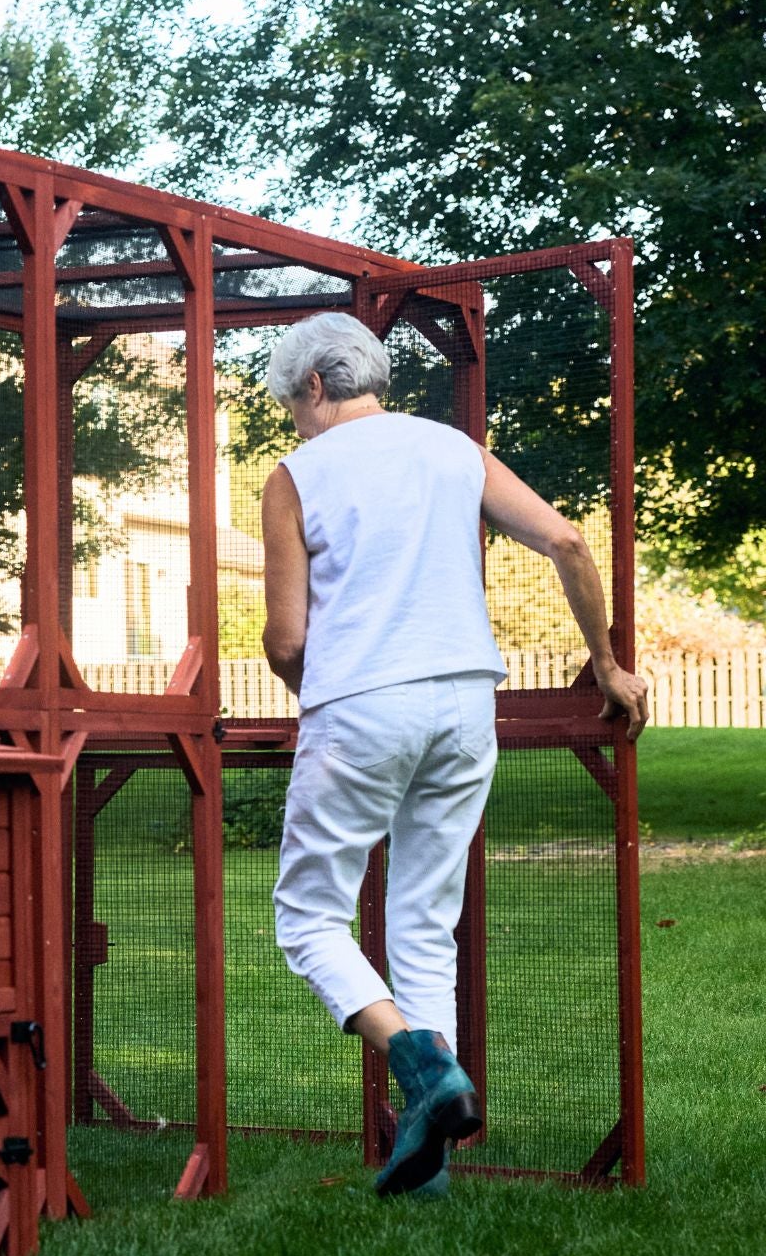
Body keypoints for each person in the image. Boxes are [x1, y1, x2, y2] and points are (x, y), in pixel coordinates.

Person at [259, 314, 649, 1198]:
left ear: (315, 386)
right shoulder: (450, 447)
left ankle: (422, 1066)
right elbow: (567, 541)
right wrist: (608, 662)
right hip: (466, 701)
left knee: (309, 918)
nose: (294, 419)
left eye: (291, 403)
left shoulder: (296, 475)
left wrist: (314, 702)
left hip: (360, 701)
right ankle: (426, 1165)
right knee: (424, 923)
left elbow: (287, 640)